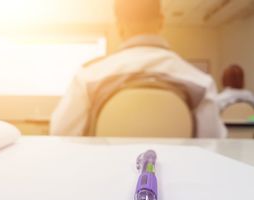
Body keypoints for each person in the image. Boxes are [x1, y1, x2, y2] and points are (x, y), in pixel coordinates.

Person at [50, 0, 227, 138]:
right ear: (161, 22)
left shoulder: (88, 77)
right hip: (177, 182)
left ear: (119, 25)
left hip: (104, 180)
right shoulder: (200, 82)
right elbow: (214, 144)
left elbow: (60, 134)